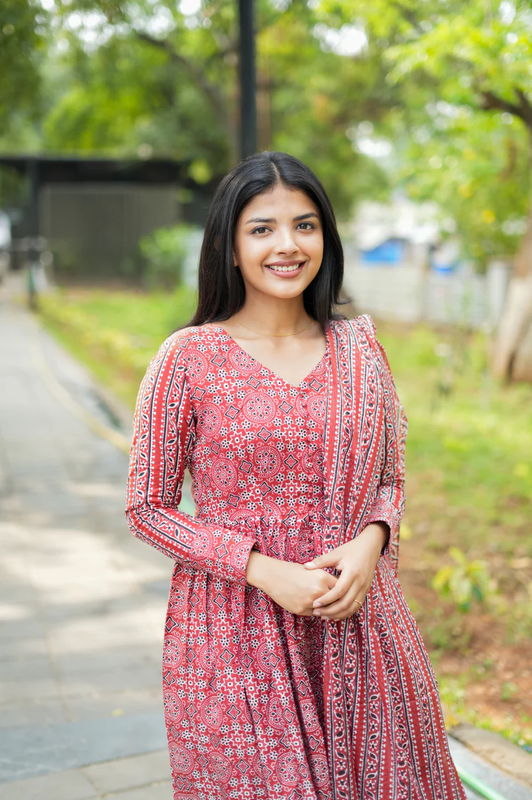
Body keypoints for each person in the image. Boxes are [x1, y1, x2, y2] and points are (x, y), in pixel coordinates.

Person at [125, 151, 467, 800]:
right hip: (236, 628)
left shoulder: (360, 348)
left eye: (305, 225)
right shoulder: (188, 358)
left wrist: (373, 543)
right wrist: (263, 569)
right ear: (229, 246)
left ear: (325, 238)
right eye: (262, 229)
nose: (287, 245)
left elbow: (390, 478)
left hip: (360, 622)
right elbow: (147, 507)